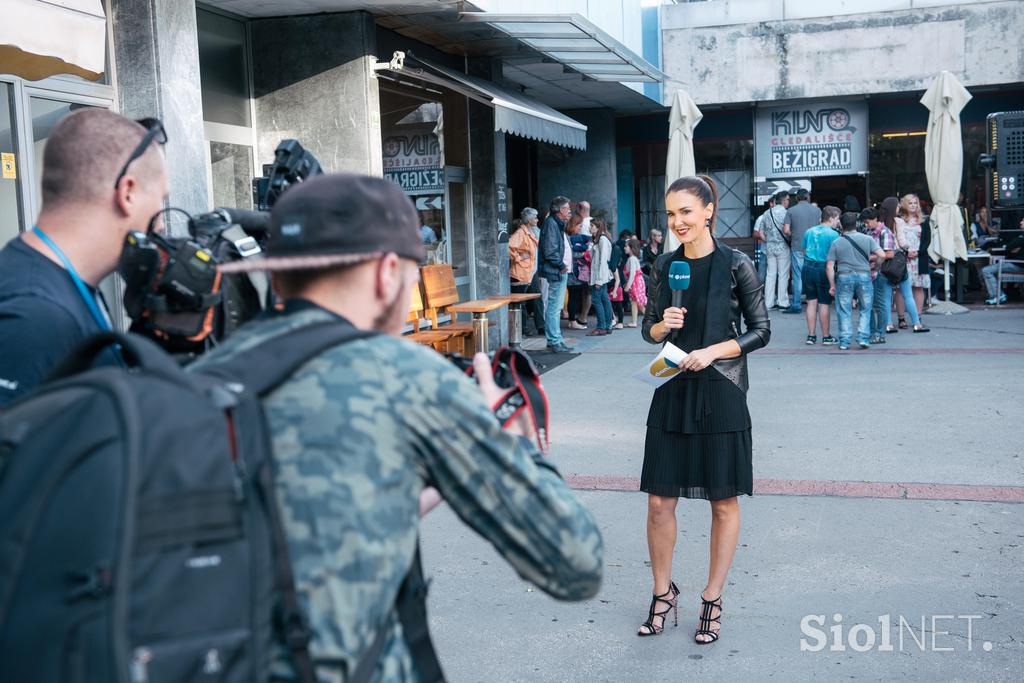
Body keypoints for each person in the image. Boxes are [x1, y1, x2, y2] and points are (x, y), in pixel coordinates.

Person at [191, 173, 603, 681]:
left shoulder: (196, 377)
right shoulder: (409, 380)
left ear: (280, 277)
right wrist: (508, 435)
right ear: (388, 273)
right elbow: (575, 563)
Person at [638, 175, 770, 644]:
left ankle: (712, 596)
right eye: (671, 214)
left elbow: (762, 329)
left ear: (709, 211)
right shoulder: (665, 264)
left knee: (723, 501)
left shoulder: (736, 264)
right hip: (673, 385)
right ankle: (662, 592)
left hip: (721, 387)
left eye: (686, 212)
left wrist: (715, 351)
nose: (677, 223)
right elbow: (647, 327)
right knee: (658, 502)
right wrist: (661, 328)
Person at [0, 110, 169, 406]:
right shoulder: (36, 315)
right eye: (161, 199)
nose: (162, 223)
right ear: (128, 192)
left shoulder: (65, 284)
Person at [827, 212, 886, 350]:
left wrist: (832, 285)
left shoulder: (836, 242)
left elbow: (829, 266)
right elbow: (882, 255)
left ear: (842, 225)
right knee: (865, 308)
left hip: (844, 276)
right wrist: (876, 265)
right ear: (857, 224)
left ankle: (845, 341)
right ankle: (863, 338)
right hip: (864, 275)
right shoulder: (867, 239)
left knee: (844, 309)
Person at [800, 206, 841, 345]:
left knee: (811, 302)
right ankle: (826, 336)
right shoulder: (834, 234)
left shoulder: (809, 231)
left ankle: (811, 336)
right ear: (830, 218)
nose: (838, 222)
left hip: (807, 267)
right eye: (837, 219)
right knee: (824, 304)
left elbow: (804, 250)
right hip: (823, 268)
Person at [539, 196, 574, 353]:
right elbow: (550, 251)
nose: (569, 211)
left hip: (559, 270)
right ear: (560, 210)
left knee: (556, 306)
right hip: (557, 270)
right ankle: (554, 340)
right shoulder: (552, 224)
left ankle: (557, 339)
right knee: (554, 307)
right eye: (567, 208)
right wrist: (561, 266)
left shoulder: (557, 224)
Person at [782, 188, 821, 314]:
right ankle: (816, 304)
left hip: (798, 247)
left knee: (797, 277)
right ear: (808, 197)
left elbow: (786, 230)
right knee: (814, 276)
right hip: (814, 249)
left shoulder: (791, 211)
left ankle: (797, 305)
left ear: (797, 198)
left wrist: (795, 235)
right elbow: (821, 226)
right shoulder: (817, 210)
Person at [862, 208, 896, 344]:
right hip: (869, 272)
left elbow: (889, 254)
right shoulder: (867, 231)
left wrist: (871, 257)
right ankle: (871, 332)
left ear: (876, 219)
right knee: (868, 304)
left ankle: (880, 333)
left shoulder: (884, 232)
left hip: (880, 272)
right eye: (865, 222)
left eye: (868, 222)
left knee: (879, 304)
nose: (866, 225)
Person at [894, 194, 930, 322]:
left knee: (918, 287)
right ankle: (901, 317)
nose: (913, 205)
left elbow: (927, 240)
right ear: (905, 204)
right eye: (910, 203)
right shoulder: (899, 220)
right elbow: (896, 238)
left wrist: (918, 253)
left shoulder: (924, 220)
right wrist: (906, 253)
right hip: (904, 258)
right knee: (900, 289)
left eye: (915, 203)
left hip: (919, 259)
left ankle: (918, 317)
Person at [509, 210, 544, 335]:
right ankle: (522, 329)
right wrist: (519, 258)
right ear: (529, 220)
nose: (537, 220)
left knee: (537, 298)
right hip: (521, 272)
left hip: (531, 271)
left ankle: (541, 326)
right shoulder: (520, 233)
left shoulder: (531, 232)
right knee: (520, 302)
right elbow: (509, 247)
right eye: (535, 218)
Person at [981, 217, 1024, 304]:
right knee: (991, 270)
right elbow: (1010, 248)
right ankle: (998, 294)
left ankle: (997, 296)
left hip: (1018, 265)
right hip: (1015, 263)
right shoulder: (1021, 236)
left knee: (986, 270)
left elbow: (1008, 247)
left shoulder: (1022, 237)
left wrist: (1014, 251)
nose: (1021, 222)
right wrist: (1014, 251)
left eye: (1023, 220)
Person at [761, 191, 791, 309]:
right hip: (783, 247)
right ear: (783, 201)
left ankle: (768, 303)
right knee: (783, 274)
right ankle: (782, 302)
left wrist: (767, 241)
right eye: (788, 200)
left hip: (770, 247)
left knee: (770, 274)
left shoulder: (767, 213)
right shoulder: (786, 213)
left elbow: (761, 232)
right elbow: (787, 230)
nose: (788, 202)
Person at [587, 218, 615, 336]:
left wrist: (598, 280)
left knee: (597, 300)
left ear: (598, 227)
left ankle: (601, 326)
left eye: (592, 226)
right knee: (604, 300)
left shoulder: (602, 240)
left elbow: (603, 261)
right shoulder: (598, 240)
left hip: (600, 276)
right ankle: (607, 325)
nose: (590, 228)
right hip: (601, 276)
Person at [624, 237, 648, 327]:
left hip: (636, 283)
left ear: (631, 247)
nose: (625, 248)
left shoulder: (632, 259)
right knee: (635, 302)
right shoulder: (632, 259)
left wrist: (628, 285)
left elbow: (632, 274)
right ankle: (634, 321)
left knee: (638, 302)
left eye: (626, 246)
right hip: (636, 282)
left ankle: (649, 319)